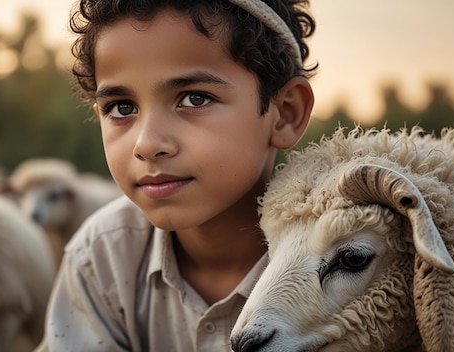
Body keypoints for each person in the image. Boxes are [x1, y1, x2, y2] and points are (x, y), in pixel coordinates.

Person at [36, 0, 316, 350]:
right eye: (122, 108)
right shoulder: (102, 257)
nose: (147, 143)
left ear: (285, 113)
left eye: (194, 99)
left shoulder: (346, 263)